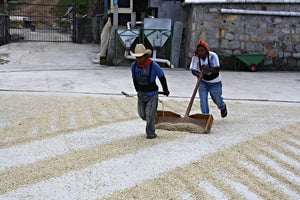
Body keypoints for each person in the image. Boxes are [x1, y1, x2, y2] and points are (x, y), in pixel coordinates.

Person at [130, 44, 170, 139]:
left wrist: (165, 89)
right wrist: (138, 90)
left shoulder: (153, 65)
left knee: (149, 115)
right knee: (142, 114)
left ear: (145, 56)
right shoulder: (133, 66)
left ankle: (151, 133)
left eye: (140, 57)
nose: (138, 59)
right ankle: (152, 117)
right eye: (137, 57)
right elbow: (134, 79)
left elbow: (161, 77)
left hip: (152, 94)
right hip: (141, 94)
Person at [189, 39, 227, 118]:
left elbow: (217, 69)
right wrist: (198, 74)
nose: (200, 53)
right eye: (198, 51)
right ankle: (205, 117)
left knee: (217, 99)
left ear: (206, 50)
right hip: (203, 82)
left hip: (215, 82)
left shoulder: (213, 56)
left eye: (202, 51)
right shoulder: (195, 58)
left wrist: (207, 69)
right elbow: (193, 70)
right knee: (203, 100)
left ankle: (222, 107)